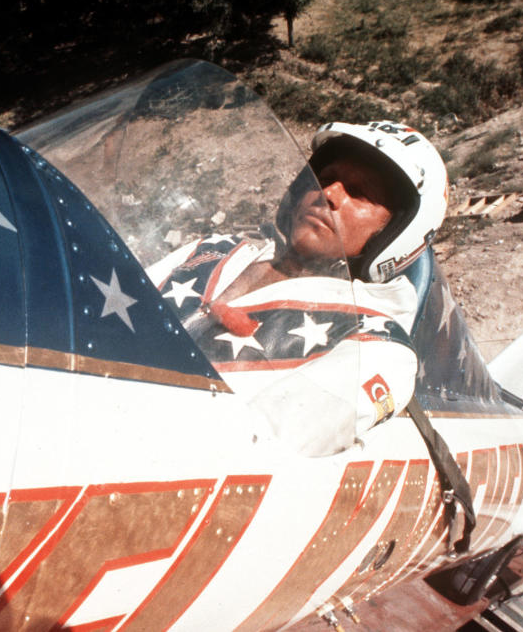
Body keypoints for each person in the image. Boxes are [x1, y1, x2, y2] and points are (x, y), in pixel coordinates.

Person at [146, 121, 448, 454]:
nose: (329, 194)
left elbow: (260, 448)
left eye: (360, 192)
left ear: (396, 232)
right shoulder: (212, 248)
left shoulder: (377, 344)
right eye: (325, 178)